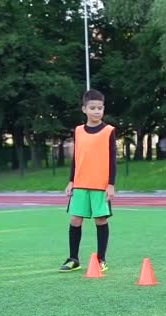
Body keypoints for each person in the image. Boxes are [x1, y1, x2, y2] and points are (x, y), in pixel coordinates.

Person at [59, 89, 117, 273]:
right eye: (92, 108)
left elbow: (112, 159)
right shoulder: (78, 131)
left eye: (100, 108)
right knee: (75, 220)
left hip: (100, 185)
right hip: (80, 184)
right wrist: (71, 181)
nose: (96, 111)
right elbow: (76, 157)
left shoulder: (109, 131)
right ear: (84, 109)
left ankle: (101, 259)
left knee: (100, 220)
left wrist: (110, 184)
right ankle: (73, 259)